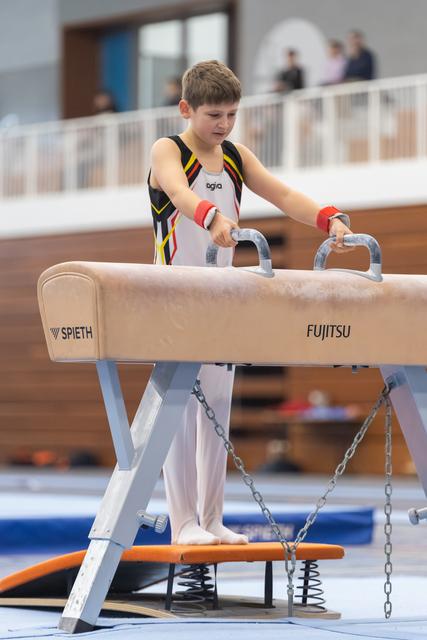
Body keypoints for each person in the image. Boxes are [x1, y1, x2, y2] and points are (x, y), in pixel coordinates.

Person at [149, 59, 353, 546]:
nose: (223, 125)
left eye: (231, 115)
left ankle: (213, 518)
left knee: (216, 407)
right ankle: (183, 524)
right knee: (178, 407)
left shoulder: (236, 155)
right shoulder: (168, 149)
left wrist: (330, 219)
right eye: (213, 115)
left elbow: (282, 194)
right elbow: (177, 192)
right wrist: (212, 216)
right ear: (186, 109)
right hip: (173, 294)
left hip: (222, 296)